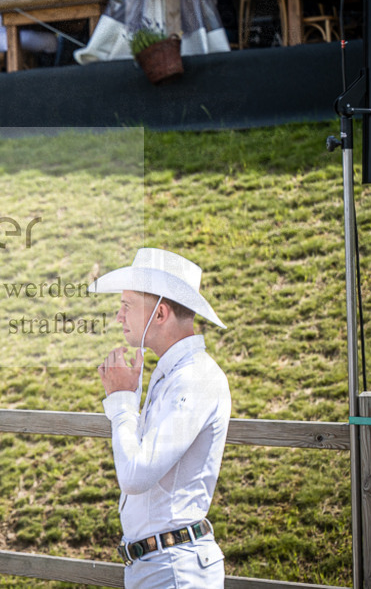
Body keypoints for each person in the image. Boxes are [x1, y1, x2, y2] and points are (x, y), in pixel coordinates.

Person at [90, 248, 231, 587]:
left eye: (127, 306)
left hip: (174, 571)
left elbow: (136, 475)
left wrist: (123, 402)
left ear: (160, 313)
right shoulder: (174, 375)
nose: (119, 317)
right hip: (164, 565)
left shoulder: (193, 378)